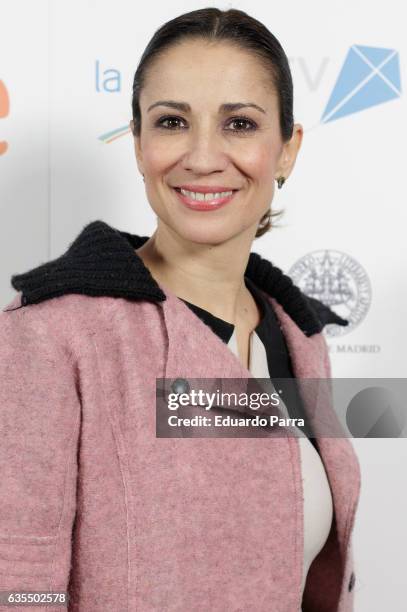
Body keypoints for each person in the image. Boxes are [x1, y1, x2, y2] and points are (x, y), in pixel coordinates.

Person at [0, 8, 361, 611]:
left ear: (286, 151)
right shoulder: (53, 335)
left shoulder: (299, 334)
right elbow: (18, 583)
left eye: (239, 124)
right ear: (139, 144)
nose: (201, 157)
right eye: (172, 121)